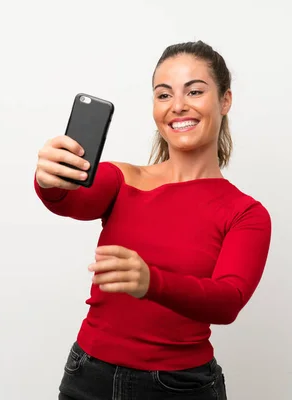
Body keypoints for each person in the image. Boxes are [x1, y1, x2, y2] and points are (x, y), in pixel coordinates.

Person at [34, 40, 272, 400]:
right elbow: (69, 201)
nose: (178, 106)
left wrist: (152, 282)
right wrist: (48, 179)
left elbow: (228, 301)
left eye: (194, 91)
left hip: (180, 387)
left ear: (225, 100)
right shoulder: (121, 179)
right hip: (88, 378)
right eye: (163, 95)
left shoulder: (245, 213)